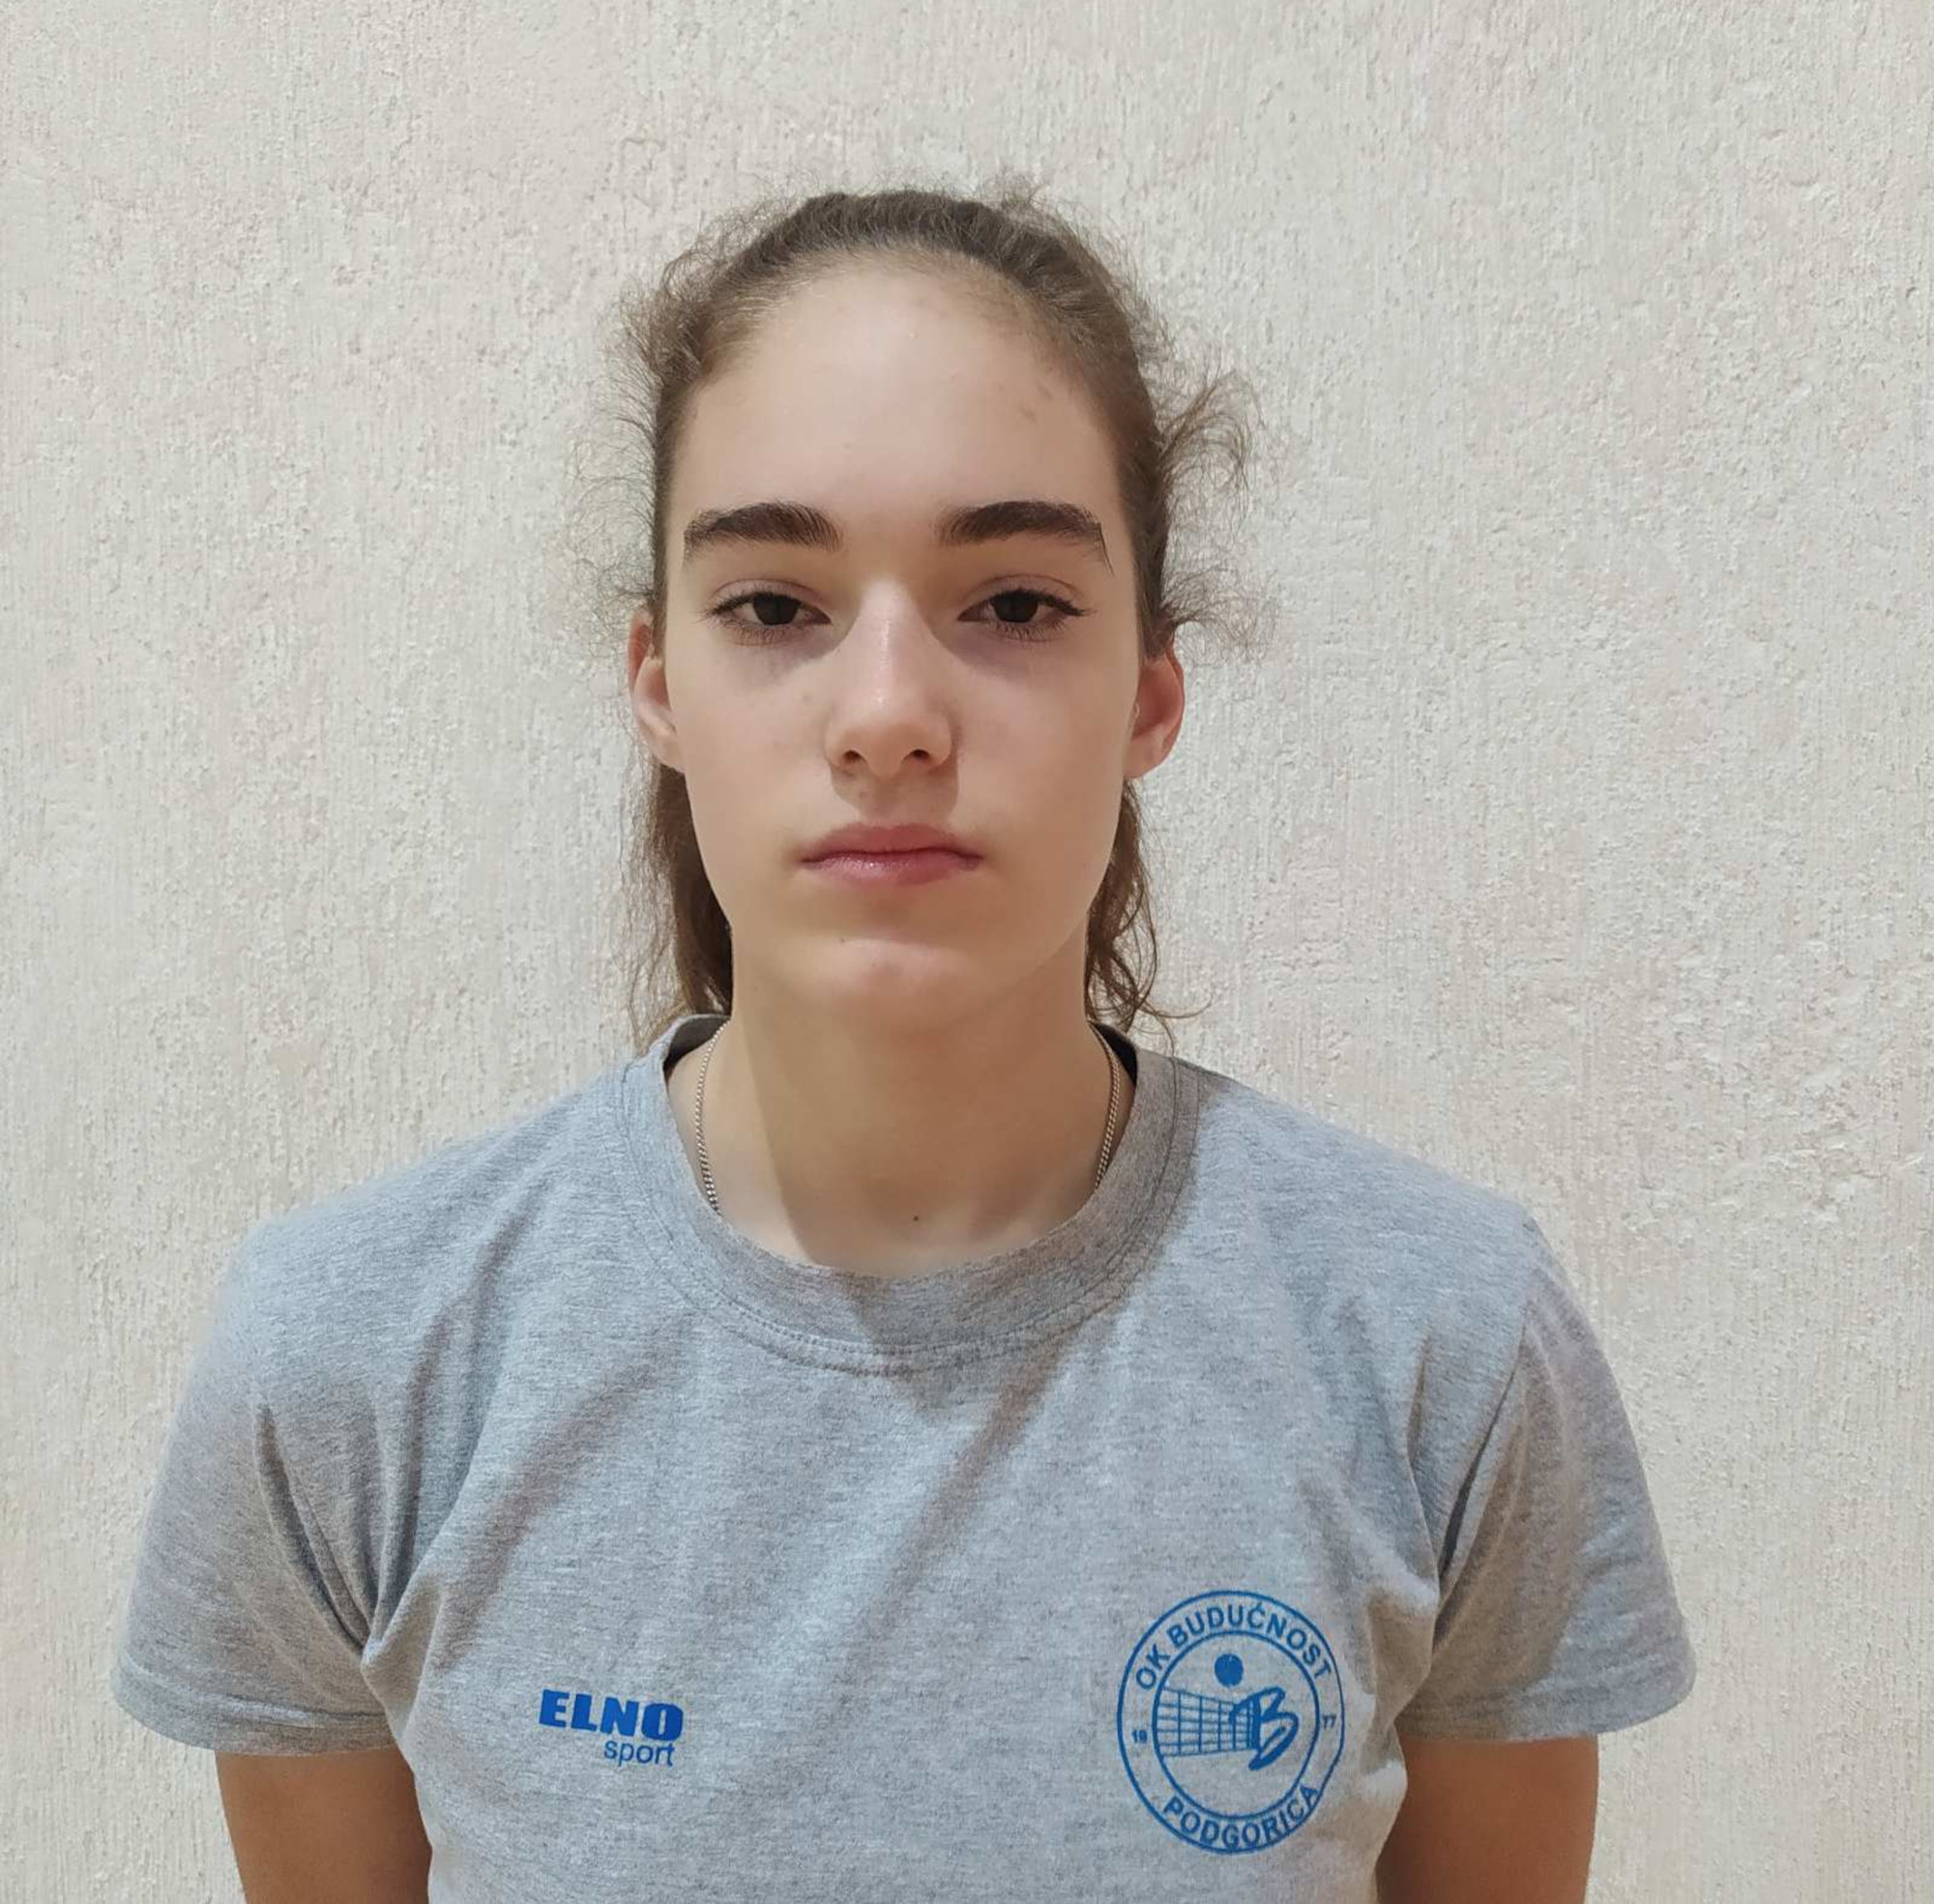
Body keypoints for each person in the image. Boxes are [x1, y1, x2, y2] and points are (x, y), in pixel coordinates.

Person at [109, 179, 1695, 1903]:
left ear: (1151, 693)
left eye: (1011, 604)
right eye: (772, 606)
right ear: (658, 683)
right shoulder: (352, 1363)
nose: (886, 717)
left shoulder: (1438, 1340)